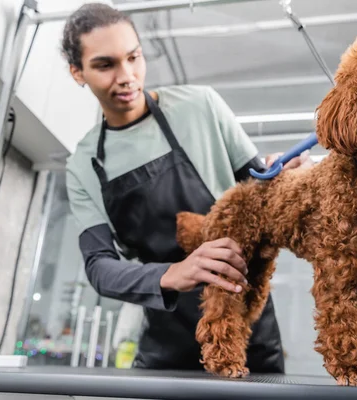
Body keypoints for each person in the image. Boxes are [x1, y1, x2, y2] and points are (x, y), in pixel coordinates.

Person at [62, 3, 313, 373]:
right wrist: (173, 274)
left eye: (134, 57)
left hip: (244, 324)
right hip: (166, 342)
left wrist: (286, 176)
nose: (127, 75)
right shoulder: (84, 164)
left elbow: (260, 192)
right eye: (105, 65)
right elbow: (100, 267)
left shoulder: (201, 106)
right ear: (77, 72)